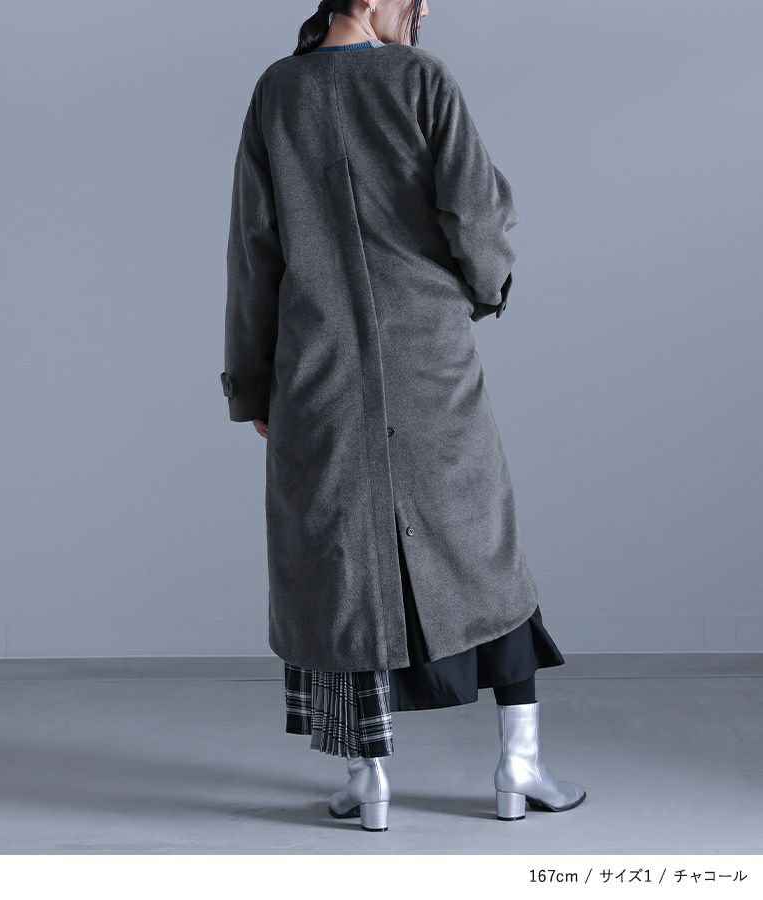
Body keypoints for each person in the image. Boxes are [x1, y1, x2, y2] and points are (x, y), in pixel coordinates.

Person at [221, 0, 586, 832]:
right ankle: (520, 764)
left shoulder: (277, 92)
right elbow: (476, 212)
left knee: (340, 568)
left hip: (315, 372)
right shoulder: (420, 79)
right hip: (429, 359)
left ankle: (370, 779)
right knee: (484, 549)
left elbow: (254, 249)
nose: (424, 11)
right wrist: (484, 289)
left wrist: (253, 385)